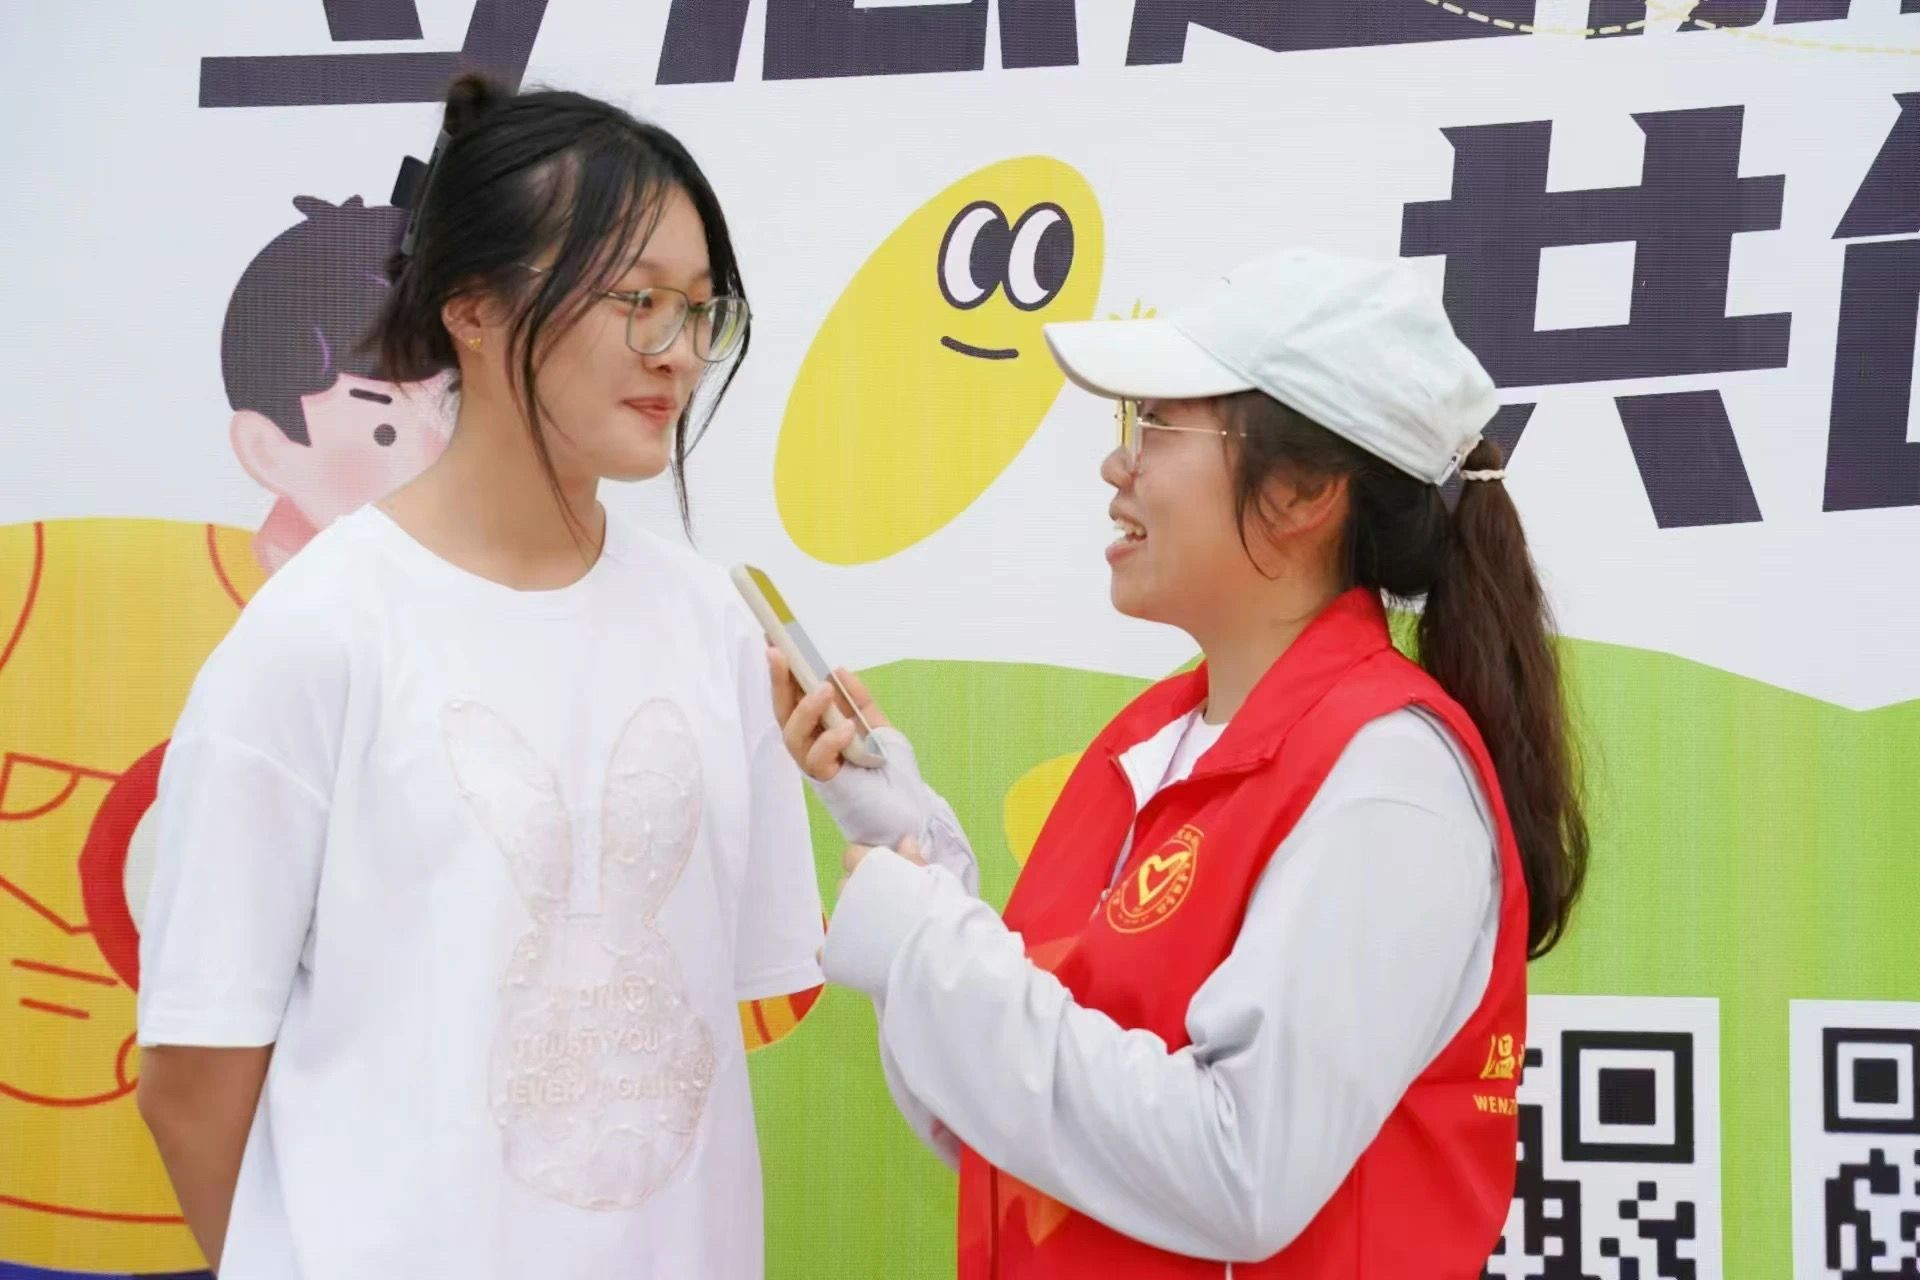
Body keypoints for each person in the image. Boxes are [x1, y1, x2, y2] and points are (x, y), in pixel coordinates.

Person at [774, 247, 1589, 1278]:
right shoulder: (1145, 742)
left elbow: (1240, 1169)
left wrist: (929, 948)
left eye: (1156, 424)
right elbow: (1031, 1138)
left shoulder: (1392, 777)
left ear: (1302, 490)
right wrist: (904, 841)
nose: (1118, 466)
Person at [135, 74, 824, 1279]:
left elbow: (734, 1000)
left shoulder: (713, 624)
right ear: (474, 308)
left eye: (701, 310)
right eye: (639, 301)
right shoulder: (320, 634)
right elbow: (192, 1078)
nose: (677, 353)